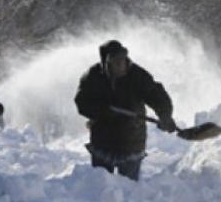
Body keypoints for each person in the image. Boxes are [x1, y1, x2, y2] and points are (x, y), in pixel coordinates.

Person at [74, 40, 176, 181]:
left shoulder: (137, 75)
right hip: (102, 142)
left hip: (131, 142)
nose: (121, 65)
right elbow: (81, 101)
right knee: (102, 187)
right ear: (106, 63)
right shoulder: (93, 76)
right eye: (116, 62)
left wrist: (165, 116)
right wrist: (101, 111)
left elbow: (156, 95)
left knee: (128, 189)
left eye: (123, 60)